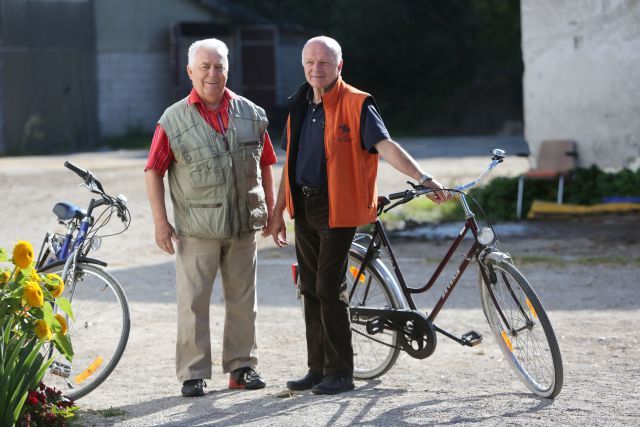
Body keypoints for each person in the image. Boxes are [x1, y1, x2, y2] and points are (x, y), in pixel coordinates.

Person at [269, 36, 451, 395]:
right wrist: (278, 213)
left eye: (324, 63)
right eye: (309, 62)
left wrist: (424, 179)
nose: (315, 69)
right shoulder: (299, 105)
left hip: (339, 208)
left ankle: (340, 372)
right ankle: (317, 368)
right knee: (308, 288)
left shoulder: (357, 103)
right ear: (302, 65)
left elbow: (386, 146)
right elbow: (288, 164)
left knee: (327, 286)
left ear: (340, 66)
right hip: (304, 207)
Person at [145, 38, 276, 397]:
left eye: (218, 66)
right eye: (204, 67)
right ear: (190, 71)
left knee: (243, 301)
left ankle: (242, 368)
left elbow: (266, 165)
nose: (212, 74)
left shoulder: (252, 113)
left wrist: (272, 211)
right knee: (193, 302)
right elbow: (153, 170)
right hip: (196, 229)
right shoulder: (172, 119)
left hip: (243, 226)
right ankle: (193, 373)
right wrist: (161, 222)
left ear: (228, 70)